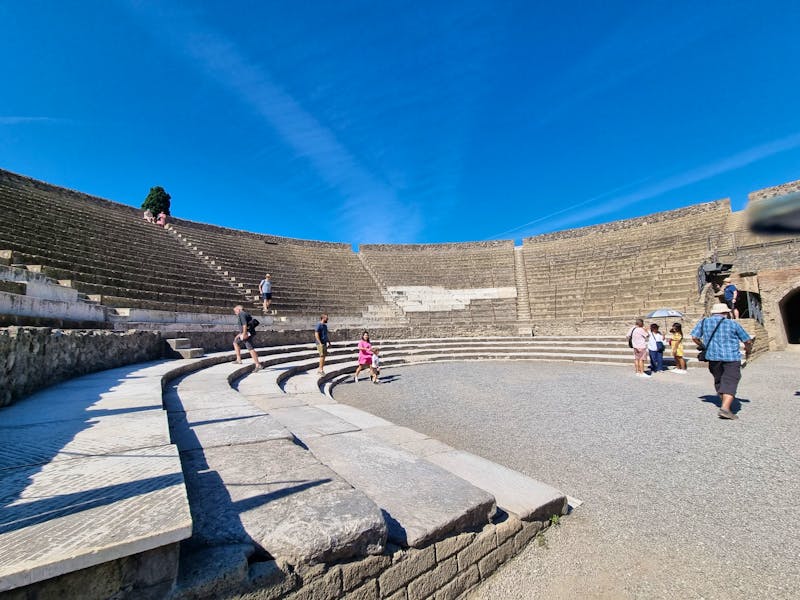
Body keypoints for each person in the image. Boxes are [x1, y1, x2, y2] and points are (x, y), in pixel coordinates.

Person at [691, 303, 754, 420]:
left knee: (719, 380)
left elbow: (694, 337)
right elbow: (747, 340)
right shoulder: (732, 323)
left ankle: (725, 403)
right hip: (731, 357)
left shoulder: (704, 322)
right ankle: (725, 409)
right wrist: (747, 349)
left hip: (713, 357)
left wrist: (703, 346)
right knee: (731, 380)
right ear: (726, 313)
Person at [232, 305, 261, 372]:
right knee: (235, 342)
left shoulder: (241, 314)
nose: (235, 313)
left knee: (250, 348)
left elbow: (244, 325)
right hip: (247, 333)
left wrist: (244, 334)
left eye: (235, 311)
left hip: (247, 334)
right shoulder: (245, 314)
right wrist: (239, 334)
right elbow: (248, 325)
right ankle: (238, 359)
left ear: (238, 309)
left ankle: (258, 364)